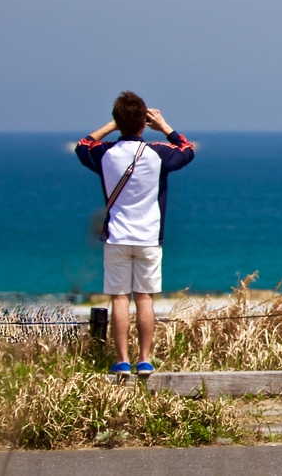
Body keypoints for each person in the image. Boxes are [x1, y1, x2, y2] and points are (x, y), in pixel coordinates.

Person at [75, 91, 195, 379]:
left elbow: (83, 145)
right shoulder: (157, 153)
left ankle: (122, 361)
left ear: (118, 120)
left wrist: (112, 125)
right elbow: (187, 150)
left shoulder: (105, 155)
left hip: (116, 237)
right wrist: (165, 126)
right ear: (144, 122)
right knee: (144, 299)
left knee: (119, 299)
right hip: (149, 237)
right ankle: (144, 360)